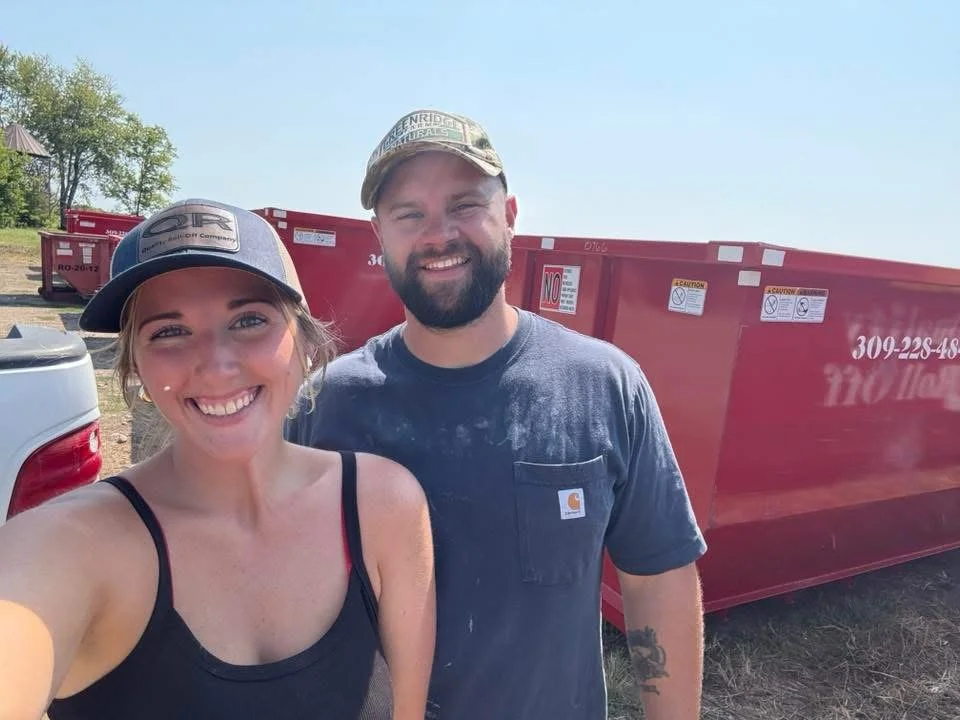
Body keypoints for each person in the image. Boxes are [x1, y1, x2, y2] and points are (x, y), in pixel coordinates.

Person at [285, 110, 708, 719]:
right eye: (409, 214)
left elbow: (656, 577)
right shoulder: (325, 407)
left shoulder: (604, 387)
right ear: (379, 233)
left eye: (464, 205)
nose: (439, 234)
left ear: (509, 215)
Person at [0, 199, 436, 720]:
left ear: (305, 344)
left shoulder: (384, 508)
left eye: (249, 319)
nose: (216, 362)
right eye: (169, 331)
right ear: (134, 363)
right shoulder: (70, 546)